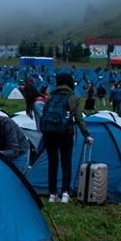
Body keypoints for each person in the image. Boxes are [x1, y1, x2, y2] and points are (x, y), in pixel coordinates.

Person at [39, 72, 93, 204]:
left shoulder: (51, 96)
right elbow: (79, 119)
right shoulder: (73, 97)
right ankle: (65, 193)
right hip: (65, 134)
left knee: (52, 163)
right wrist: (87, 134)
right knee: (66, 163)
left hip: (49, 134)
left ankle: (52, 194)